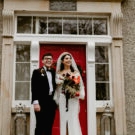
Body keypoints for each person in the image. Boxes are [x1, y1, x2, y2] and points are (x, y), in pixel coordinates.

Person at [54, 52, 85, 135]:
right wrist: (56, 100)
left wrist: (77, 93)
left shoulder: (75, 73)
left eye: (70, 58)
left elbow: (80, 85)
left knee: (73, 119)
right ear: (62, 61)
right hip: (63, 99)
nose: (69, 60)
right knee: (64, 120)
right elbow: (57, 89)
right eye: (66, 58)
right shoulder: (58, 73)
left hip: (73, 99)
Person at [31, 52, 57, 135]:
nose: (48, 60)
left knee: (49, 126)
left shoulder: (54, 72)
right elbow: (34, 88)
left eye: (50, 59)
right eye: (46, 59)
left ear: (52, 61)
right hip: (41, 103)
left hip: (51, 102)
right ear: (42, 61)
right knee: (40, 126)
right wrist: (36, 103)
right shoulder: (37, 72)